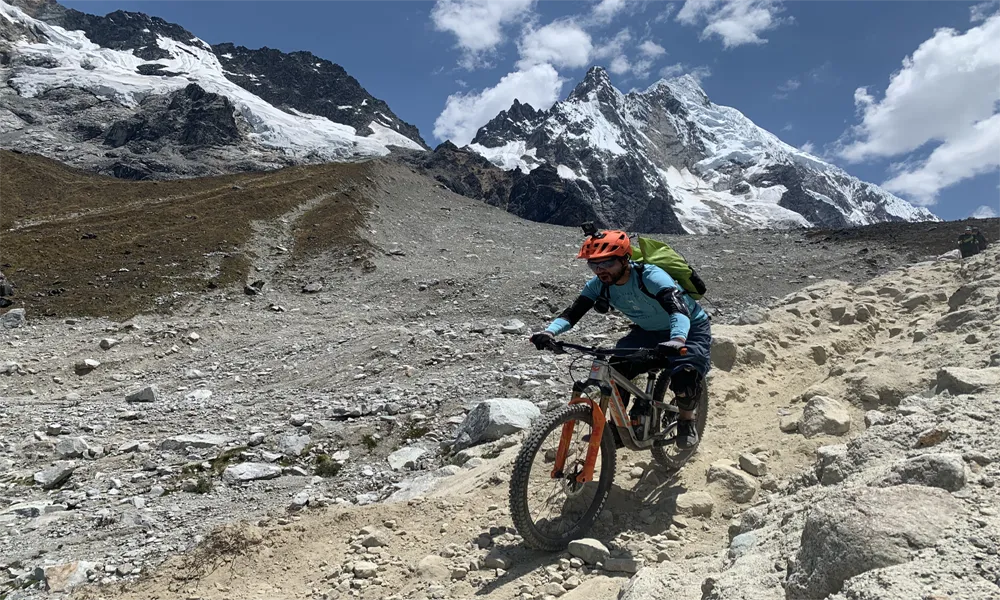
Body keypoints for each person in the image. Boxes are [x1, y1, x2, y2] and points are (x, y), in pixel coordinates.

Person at [529, 230, 712, 449]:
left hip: (690, 328)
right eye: (594, 265)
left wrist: (678, 339)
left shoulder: (651, 276)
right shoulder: (598, 285)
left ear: (625, 259)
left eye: (607, 263)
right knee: (616, 368)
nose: (600, 270)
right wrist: (549, 333)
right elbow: (573, 313)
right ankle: (619, 428)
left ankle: (686, 421)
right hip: (648, 332)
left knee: (686, 374)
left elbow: (678, 310)